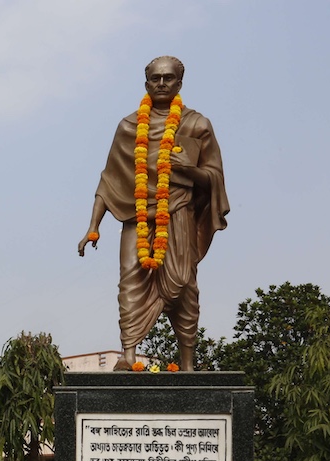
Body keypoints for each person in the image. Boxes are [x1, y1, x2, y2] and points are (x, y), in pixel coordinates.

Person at [78, 56, 229, 371]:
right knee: (129, 281)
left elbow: (214, 176)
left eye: (168, 78)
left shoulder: (197, 124)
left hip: (178, 214)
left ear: (180, 83)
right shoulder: (129, 127)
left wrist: (189, 170)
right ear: (146, 84)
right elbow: (108, 180)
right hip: (136, 218)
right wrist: (93, 227)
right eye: (155, 79)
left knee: (184, 285)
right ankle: (129, 354)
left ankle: (187, 364)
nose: (162, 84)